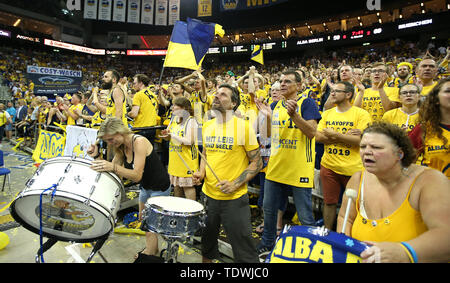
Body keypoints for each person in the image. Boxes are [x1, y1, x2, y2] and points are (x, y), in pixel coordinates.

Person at [337, 122, 450, 262]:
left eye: (376, 147)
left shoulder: (429, 181)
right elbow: (345, 218)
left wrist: (405, 251)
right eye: (363, 146)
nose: (366, 151)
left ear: (399, 154)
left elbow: (446, 236)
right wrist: (346, 247)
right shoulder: (358, 179)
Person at [193, 84, 262, 263]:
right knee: (207, 245)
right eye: (216, 93)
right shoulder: (207, 126)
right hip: (208, 197)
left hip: (234, 198)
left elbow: (257, 162)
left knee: (244, 250)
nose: (216, 96)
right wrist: (201, 173)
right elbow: (206, 155)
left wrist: (235, 184)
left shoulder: (244, 127)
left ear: (233, 104)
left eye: (223, 95)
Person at [256, 70, 321, 255]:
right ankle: (267, 242)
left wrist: (295, 116)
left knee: (304, 215)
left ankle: (311, 250)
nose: (282, 84)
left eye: (287, 81)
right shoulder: (275, 105)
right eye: (281, 81)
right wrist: (267, 117)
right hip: (276, 166)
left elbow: (312, 133)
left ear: (299, 86)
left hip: (299, 167)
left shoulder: (306, 103)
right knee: (268, 210)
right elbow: (270, 135)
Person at [87, 117, 171, 261]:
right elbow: (112, 172)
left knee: (150, 227)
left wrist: (112, 166)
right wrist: (96, 157)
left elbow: (136, 176)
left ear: (120, 132)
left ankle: (149, 256)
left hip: (159, 187)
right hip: (146, 187)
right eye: (107, 141)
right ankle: (152, 249)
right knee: (143, 222)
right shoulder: (119, 146)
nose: (110, 143)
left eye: (111, 139)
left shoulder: (139, 142)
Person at [315, 81, 372, 230]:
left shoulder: (361, 114)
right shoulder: (327, 113)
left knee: (356, 203)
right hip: (329, 166)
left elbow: (361, 141)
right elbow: (319, 137)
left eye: (336, 91)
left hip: (354, 169)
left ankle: (353, 235)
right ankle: (327, 233)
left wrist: (334, 134)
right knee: (329, 202)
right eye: (332, 90)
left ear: (348, 94)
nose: (332, 93)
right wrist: (345, 136)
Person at [409, 77, 450, 178]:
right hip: (437, 190)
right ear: (436, 99)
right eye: (448, 91)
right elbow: (405, 164)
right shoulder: (423, 129)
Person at [160, 97, 199, 201]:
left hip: (187, 159)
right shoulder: (173, 119)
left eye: (175, 106)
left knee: (187, 187)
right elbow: (169, 136)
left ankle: (191, 212)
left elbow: (188, 141)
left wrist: (172, 135)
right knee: (177, 186)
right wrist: (166, 135)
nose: (172, 108)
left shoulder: (191, 121)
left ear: (183, 108)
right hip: (175, 158)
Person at [127, 74, 159, 143]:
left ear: (141, 83)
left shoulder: (138, 94)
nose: (133, 85)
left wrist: (126, 113)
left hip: (141, 129)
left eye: (135, 83)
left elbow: (134, 114)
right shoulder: (153, 94)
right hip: (152, 129)